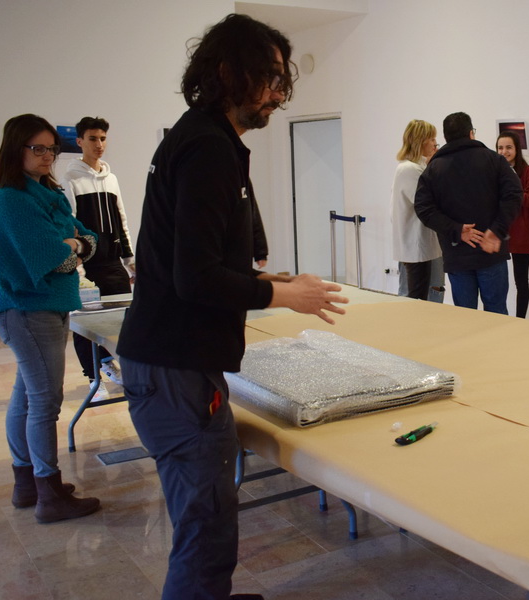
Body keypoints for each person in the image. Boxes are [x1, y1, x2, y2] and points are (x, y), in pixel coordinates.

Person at [115, 14, 348, 600]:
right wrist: (283, 295)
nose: (277, 93)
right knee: (205, 523)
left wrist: (268, 279)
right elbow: (195, 277)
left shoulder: (201, 139)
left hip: (173, 361)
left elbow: (197, 259)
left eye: (281, 79)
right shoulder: (207, 148)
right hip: (175, 368)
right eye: (267, 77)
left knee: (209, 515)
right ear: (225, 72)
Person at [0, 113, 102, 523]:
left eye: (52, 148)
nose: (47, 155)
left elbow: (89, 238)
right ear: (15, 148)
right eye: (38, 148)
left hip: (45, 307)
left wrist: (74, 245)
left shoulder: (48, 194)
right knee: (44, 402)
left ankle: (28, 484)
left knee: (27, 397)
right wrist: (71, 248)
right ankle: (48, 493)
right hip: (27, 309)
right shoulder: (11, 198)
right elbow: (53, 258)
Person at [414, 112, 522, 313]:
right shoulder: (494, 160)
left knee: (465, 317)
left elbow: (423, 208)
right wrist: (496, 230)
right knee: (497, 315)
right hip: (490, 250)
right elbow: (514, 195)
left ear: (446, 137)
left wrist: (456, 230)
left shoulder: (434, 168)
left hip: (457, 253)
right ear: (471, 133)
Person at [60, 116, 134, 397]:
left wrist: (130, 261)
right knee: (86, 325)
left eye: (102, 138)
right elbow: (69, 226)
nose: (99, 144)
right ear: (80, 141)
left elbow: (121, 220)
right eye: (93, 138)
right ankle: (94, 378)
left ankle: (110, 363)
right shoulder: (70, 179)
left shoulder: (111, 178)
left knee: (123, 319)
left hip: (113, 263)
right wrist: (76, 269)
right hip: (87, 266)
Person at [496, 130, 529, 318]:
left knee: (521, 281)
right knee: (497, 281)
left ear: (517, 149)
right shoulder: (493, 171)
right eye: (500, 148)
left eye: (508, 147)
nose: (504, 152)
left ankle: (520, 320)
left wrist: (515, 195)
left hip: (521, 234)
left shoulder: (527, 172)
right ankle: (497, 317)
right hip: (498, 233)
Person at [392, 119, 443, 300]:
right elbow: (428, 202)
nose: (435, 144)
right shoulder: (410, 169)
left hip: (420, 243)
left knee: (423, 293)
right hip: (415, 244)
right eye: (432, 139)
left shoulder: (416, 167)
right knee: (417, 297)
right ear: (421, 141)